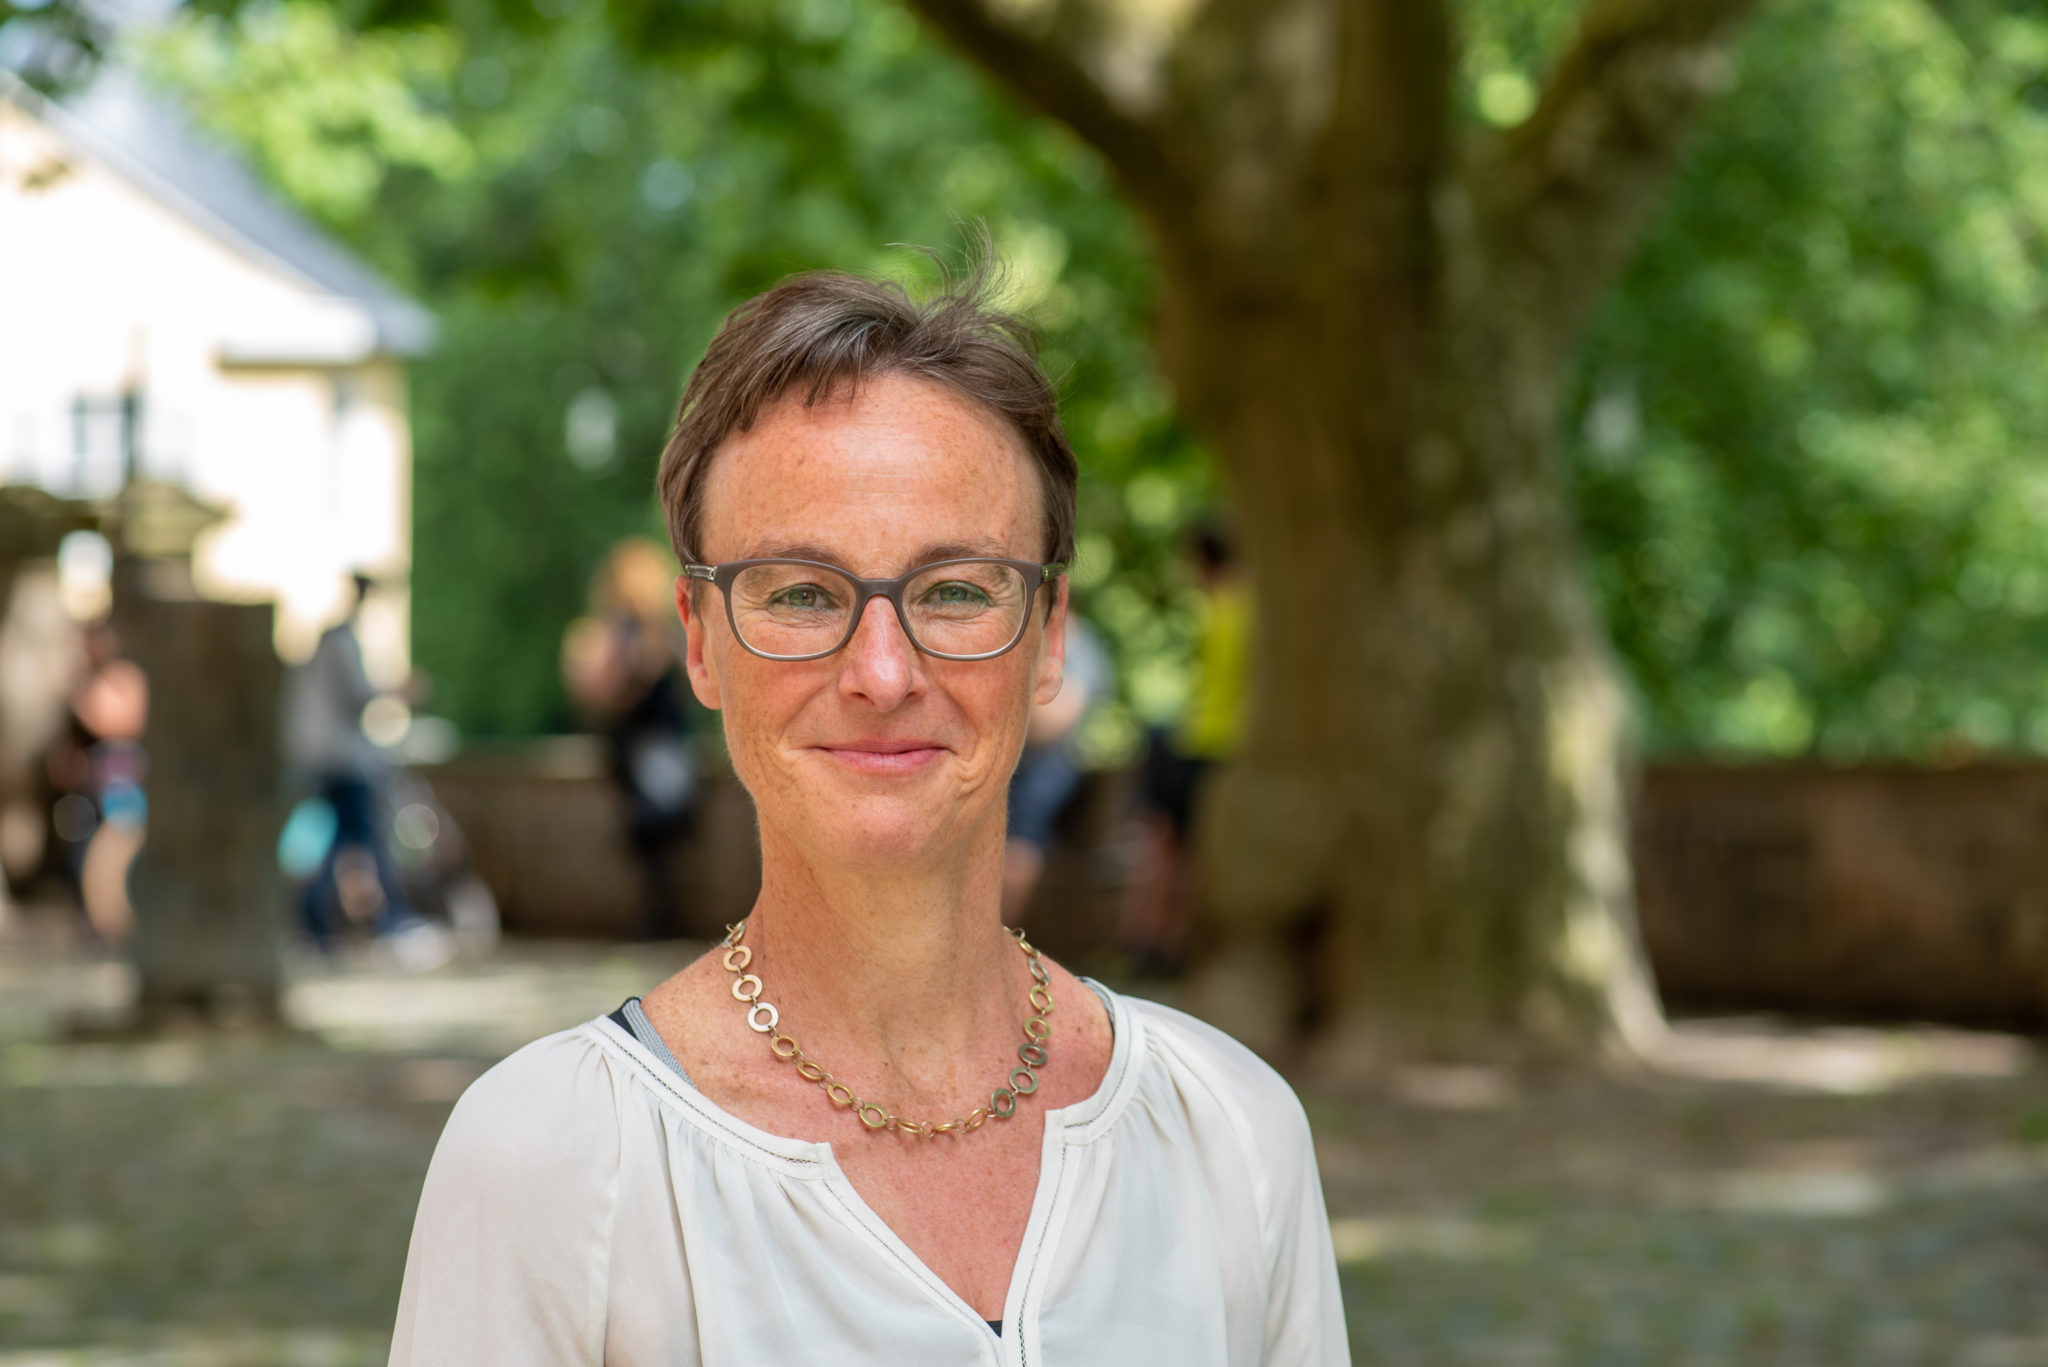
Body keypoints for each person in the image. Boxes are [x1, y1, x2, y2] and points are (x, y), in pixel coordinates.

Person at [389, 259, 1347, 1364]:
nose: (882, 672)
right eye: (801, 593)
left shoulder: (1230, 1133)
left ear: (1047, 636)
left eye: (955, 589)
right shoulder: (554, 1160)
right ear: (699, 640)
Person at [1124, 523, 1249, 977]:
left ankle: (1151, 943)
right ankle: (1166, 945)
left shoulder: (1213, 610)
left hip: (1195, 745)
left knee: (1164, 851)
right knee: (1186, 855)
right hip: (1220, 747)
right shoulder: (1251, 611)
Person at [561, 537, 699, 940]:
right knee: (655, 831)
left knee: (655, 832)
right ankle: (656, 917)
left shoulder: (647, 630)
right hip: (645, 744)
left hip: (647, 744)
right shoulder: (626, 632)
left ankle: (657, 917)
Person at [284, 572, 420, 947]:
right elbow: (356, 694)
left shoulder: (330, 640)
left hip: (325, 757)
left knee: (336, 839)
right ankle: (388, 920)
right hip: (339, 760)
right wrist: (397, 691)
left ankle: (317, 921)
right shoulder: (340, 641)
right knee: (359, 837)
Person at [1000, 612, 1110, 919]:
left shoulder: (1080, 649)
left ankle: (999, 926)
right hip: (1020, 762)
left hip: (1048, 768)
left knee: (1021, 844)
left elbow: (1055, 722)